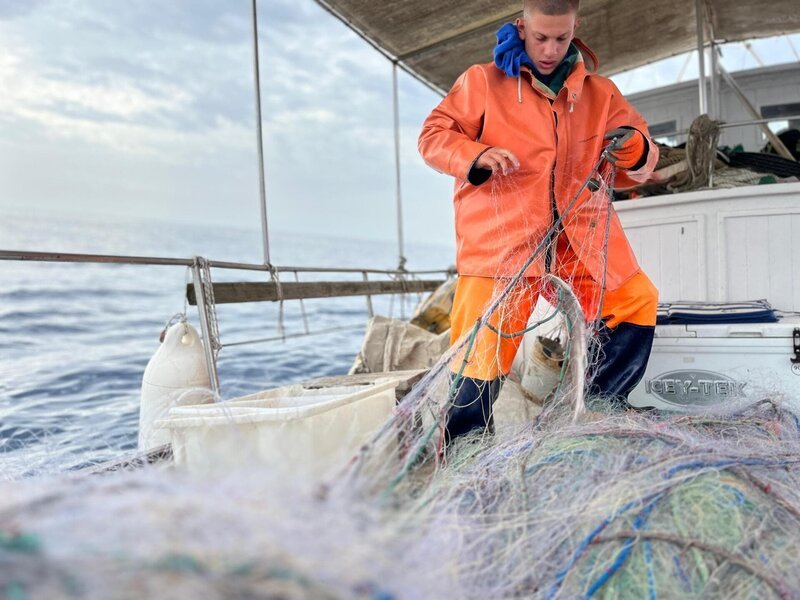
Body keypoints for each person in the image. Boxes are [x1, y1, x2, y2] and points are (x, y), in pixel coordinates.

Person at [417, 0, 660, 443]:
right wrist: (475, 154)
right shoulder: (481, 81)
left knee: (636, 299)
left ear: (575, 28)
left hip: (579, 238)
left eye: (561, 38)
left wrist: (635, 148)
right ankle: (465, 446)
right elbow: (433, 137)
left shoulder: (601, 93)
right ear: (522, 26)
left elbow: (642, 157)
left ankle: (601, 407)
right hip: (501, 244)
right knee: (479, 352)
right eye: (541, 37)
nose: (550, 50)